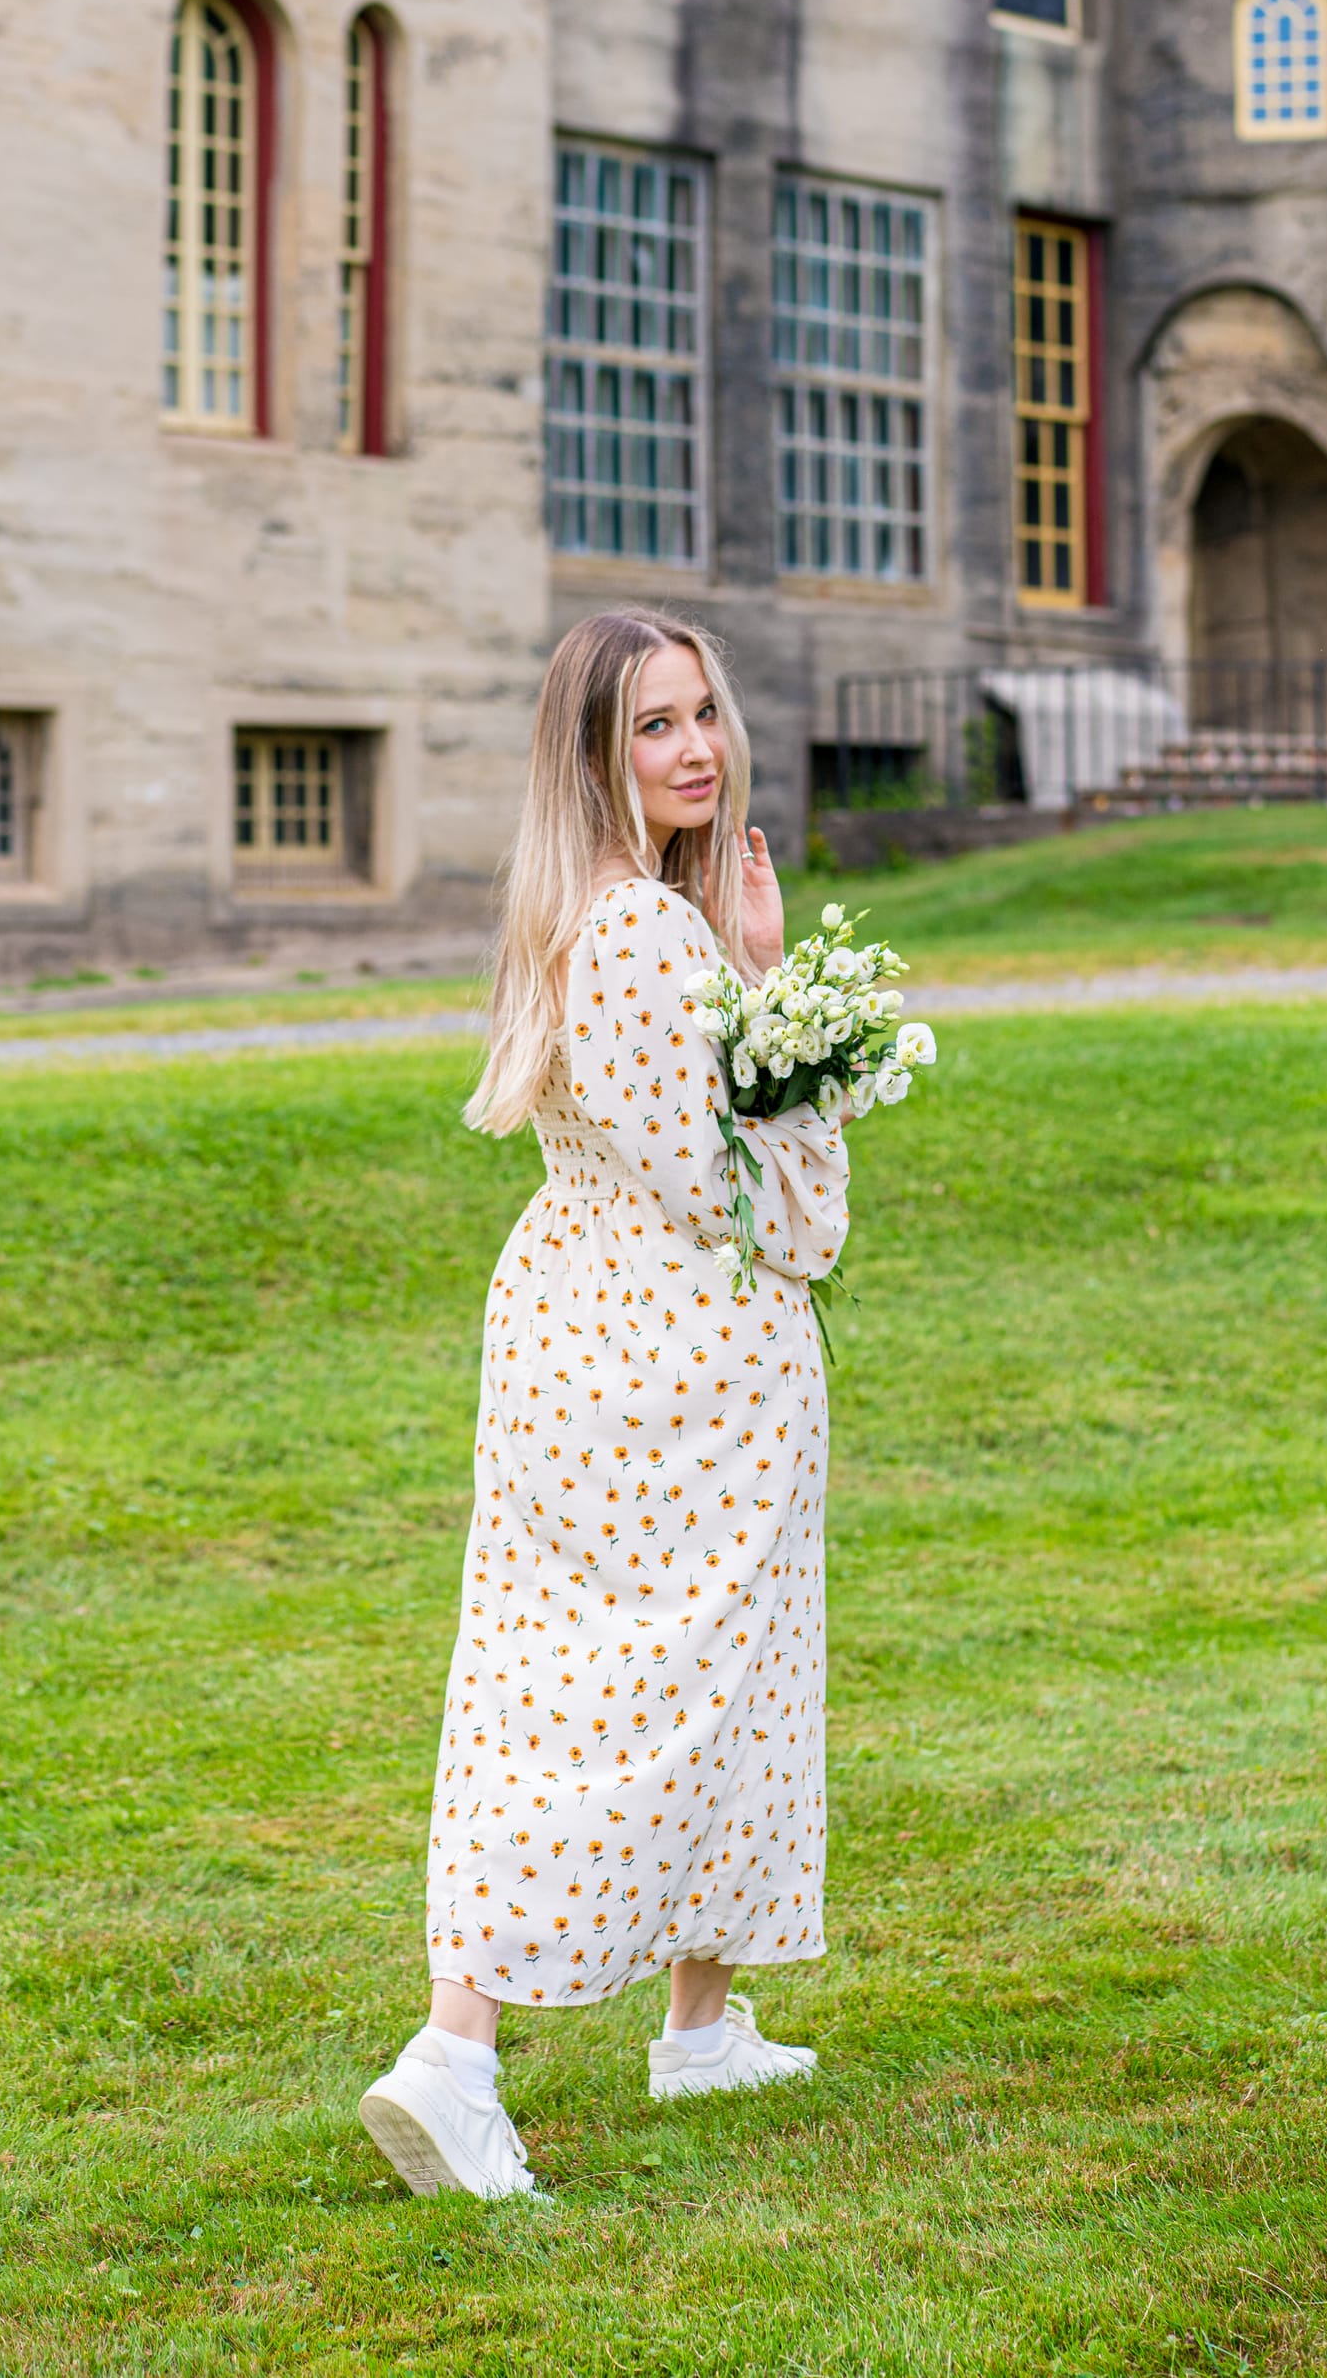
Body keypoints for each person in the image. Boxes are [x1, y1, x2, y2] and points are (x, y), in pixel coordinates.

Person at [360, 609, 851, 2197]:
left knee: (719, 1678)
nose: (695, 747)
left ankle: (702, 2028)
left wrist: (758, 973)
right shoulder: (637, 931)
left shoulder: (619, 914)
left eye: (704, 712)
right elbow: (763, 1208)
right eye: (653, 726)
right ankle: (455, 2055)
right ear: (593, 752)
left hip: (604, 1331)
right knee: (601, 1701)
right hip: (666, 1362)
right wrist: (786, 1031)